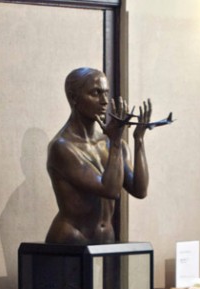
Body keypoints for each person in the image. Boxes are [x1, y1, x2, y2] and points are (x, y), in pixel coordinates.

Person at [45, 67, 152, 245]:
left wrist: (139, 140)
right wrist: (116, 143)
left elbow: (140, 190)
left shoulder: (110, 142)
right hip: (71, 241)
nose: (104, 101)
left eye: (106, 93)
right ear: (74, 98)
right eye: (95, 93)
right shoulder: (62, 147)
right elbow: (110, 190)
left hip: (105, 241)